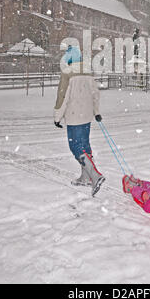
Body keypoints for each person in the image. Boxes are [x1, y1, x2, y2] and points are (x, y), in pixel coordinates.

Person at [54, 45, 105, 196]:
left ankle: (95, 176)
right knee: (84, 144)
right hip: (87, 116)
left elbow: (63, 96)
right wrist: (96, 112)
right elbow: (96, 94)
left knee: (75, 146)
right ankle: (86, 177)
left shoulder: (67, 73)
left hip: (74, 115)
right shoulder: (88, 73)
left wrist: (57, 117)